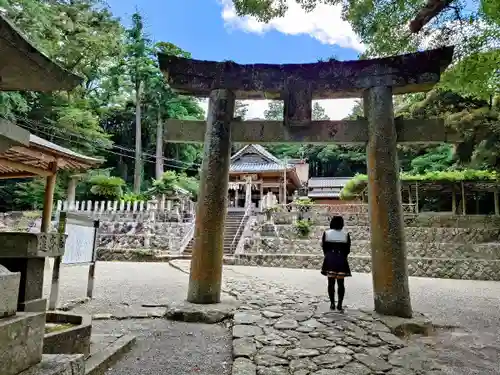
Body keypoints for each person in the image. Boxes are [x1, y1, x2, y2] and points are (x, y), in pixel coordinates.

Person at [321, 215, 351, 312]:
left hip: (330, 259)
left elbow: (324, 247)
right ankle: (340, 304)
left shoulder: (326, 233)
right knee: (341, 283)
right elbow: (348, 249)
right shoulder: (346, 234)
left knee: (331, 283)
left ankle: (332, 304)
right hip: (341, 259)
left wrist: (328, 255)